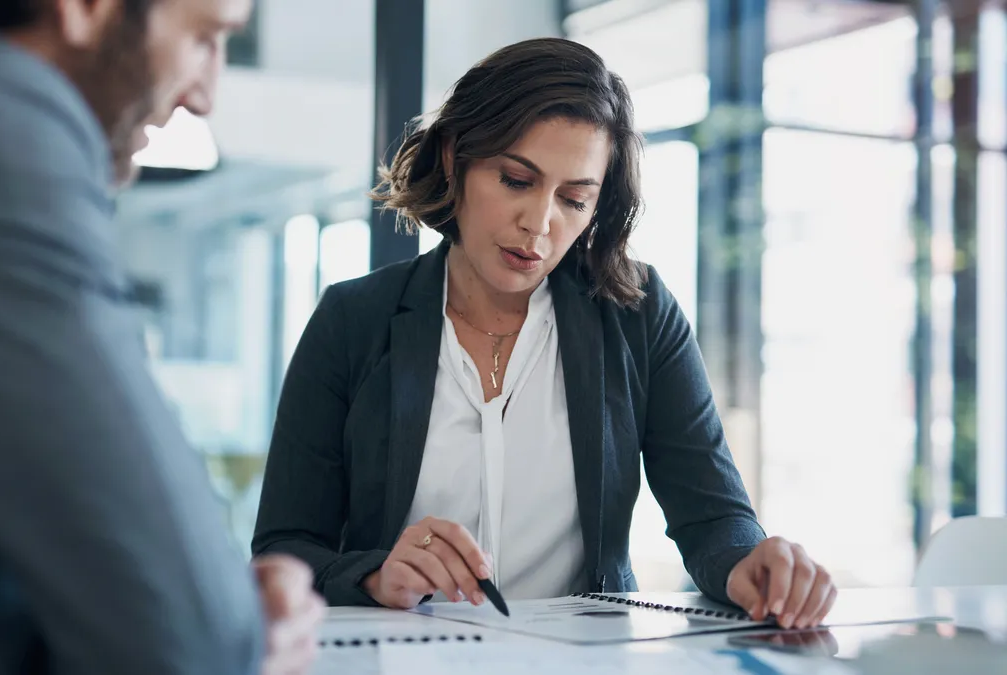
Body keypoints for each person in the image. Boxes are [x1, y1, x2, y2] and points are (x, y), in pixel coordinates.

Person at [253, 37, 837, 630]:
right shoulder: (352, 319)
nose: (539, 224)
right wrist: (377, 575)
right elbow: (285, 547)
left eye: (574, 199)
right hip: (399, 657)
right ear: (456, 158)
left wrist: (751, 562)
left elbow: (713, 518)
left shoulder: (638, 313)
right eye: (514, 180)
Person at [0, 1, 322, 674]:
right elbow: (186, 644)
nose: (204, 95)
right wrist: (232, 625)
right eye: (202, 38)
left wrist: (213, 603)